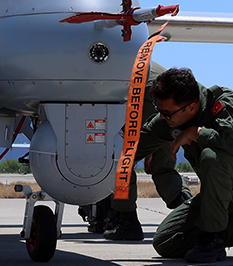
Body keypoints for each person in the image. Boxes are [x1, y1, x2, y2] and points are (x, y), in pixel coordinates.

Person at [137, 67, 233, 263]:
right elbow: (135, 146)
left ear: (191, 108)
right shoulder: (173, 118)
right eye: (160, 111)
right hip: (217, 194)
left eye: (167, 113)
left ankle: (213, 240)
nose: (163, 118)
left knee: (212, 157)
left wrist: (196, 133)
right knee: (166, 242)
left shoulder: (224, 102)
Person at [79, 74, 191, 240]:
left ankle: (128, 222)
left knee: (122, 160)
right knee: (163, 168)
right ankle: (190, 211)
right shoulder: (142, 61)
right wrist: (151, 147)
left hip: (138, 97)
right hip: (169, 102)